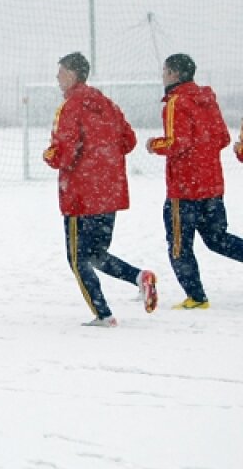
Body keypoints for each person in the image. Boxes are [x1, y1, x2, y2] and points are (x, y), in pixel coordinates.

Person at [42, 53, 157, 327]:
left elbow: (64, 152)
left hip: (81, 194)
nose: (57, 78)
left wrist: (50, 155)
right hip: (110, 192)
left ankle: (103, 314)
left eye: (60, 72)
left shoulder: (71, 106)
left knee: (77, 257)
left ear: (71, 74)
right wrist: (103, 158)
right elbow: (129, 140)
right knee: (96, 254)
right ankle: (140, 278)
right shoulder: (107, 104)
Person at [145, 53, 243, 309]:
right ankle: (196, 295)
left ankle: (197, 297)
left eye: (165, 71)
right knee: (217, 239)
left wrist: (154, 145)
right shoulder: (207, 99)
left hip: (185, 188)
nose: (163, 75)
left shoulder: (175, 102)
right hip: (211, 184)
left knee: (179, 245)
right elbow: (222, 137)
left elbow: (177, 142)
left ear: (175, 74)